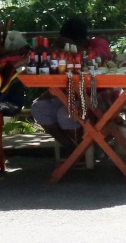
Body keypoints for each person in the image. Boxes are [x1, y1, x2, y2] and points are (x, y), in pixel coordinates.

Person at [30, 16, 113, 153]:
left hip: (95, 96)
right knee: (39, 107)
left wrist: (72, 49)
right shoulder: (62, 54)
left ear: (81, 40)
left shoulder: (98, 43)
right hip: (69, 94)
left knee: (66, 113)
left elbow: (100, 56)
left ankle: (82, 151)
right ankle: (73, 150)